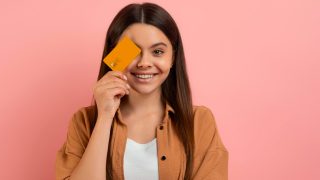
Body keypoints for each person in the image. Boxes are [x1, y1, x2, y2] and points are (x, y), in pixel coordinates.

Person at [55, 3, 228, 180]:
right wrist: (104, 117)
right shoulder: (84, 121)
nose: (144, 63)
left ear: (173, 57)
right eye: (133, 51)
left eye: (158, 51)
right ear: (114, 55)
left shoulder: (199, 122)